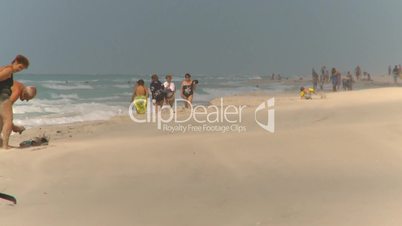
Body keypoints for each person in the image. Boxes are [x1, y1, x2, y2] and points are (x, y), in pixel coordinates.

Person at [0, 55, 30, 149]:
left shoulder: (7, 70)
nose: (19, 70)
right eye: (20, 67)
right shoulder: (8, 71)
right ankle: (5, 145)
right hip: (3, 97)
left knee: (2, 120)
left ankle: (2, 144)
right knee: (8, 120)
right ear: (15, 61)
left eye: (22, 69)